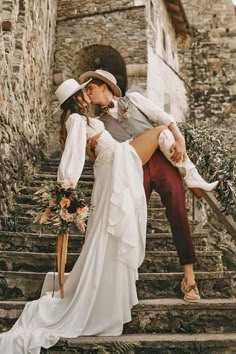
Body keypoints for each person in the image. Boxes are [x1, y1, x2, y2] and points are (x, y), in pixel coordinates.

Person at [0, 78, 175, 353]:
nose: (87, 94)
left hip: (114, 163)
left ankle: (186, 166)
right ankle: (188, 168)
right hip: (116, 163)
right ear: (77, 97)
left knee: (112, 230)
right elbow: (73, 158)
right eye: (83, 91)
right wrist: (65, 190)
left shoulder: (80, 119)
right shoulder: (76, 120)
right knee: (162, 130)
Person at [79, 69, 218, 303]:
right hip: (132, 169)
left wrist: (181, 141)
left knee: (178, 211)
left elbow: (165, 119)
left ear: (105, 86)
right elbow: (104, 157)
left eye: (90, 88)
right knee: (129, 219)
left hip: (161, 159)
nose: (87, 93)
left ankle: (189, 278)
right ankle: (124, 282)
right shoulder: (98, 123)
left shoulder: (133, 99)